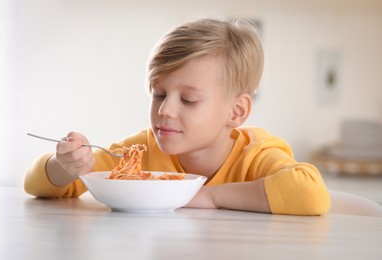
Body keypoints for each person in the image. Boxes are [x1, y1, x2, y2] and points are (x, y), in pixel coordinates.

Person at [24, 18, 331, 215]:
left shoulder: (256, 156)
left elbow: (309, 193)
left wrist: (211, 197)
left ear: (236, 111)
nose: (165, 110)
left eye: (188, 99)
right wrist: (64, 166)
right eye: (158, 94)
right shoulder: (140, 153)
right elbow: (38, 186)